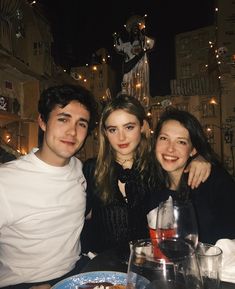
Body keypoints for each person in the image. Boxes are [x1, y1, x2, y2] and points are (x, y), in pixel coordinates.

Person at [81, 95, 211, 256]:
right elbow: (78, 219)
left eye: (129, 127)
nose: (121, 137)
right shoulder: (92, 169)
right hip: (104, 265)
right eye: (113, 129)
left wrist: (200, 157)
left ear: (143, 126)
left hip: (148, 265)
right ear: (105, 133)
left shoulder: (158, 166)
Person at [0, 84, 98, 289]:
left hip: (77, 273)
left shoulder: (78, 169)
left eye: (81, 124)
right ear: (42, 122)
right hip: (24, 283)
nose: (72, 131)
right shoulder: (7, 181)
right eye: (63, 119)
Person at [149, 107, 235, 244]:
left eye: (181, 142)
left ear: (193, 149)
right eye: (164, 138)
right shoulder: (151, 185)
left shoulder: (214, 181)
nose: (170, 148)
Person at [113, 15, 155, 106]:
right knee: (128, 90)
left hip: (141, 70)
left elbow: (151, 44)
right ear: (130, 32)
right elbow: (118, 47)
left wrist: (143, 36)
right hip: (129, 71)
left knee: (140, 91)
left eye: (137, 28)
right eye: (133, 29)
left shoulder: (143, 42)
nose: (135, 30)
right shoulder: (127, 45)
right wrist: (116, 38)